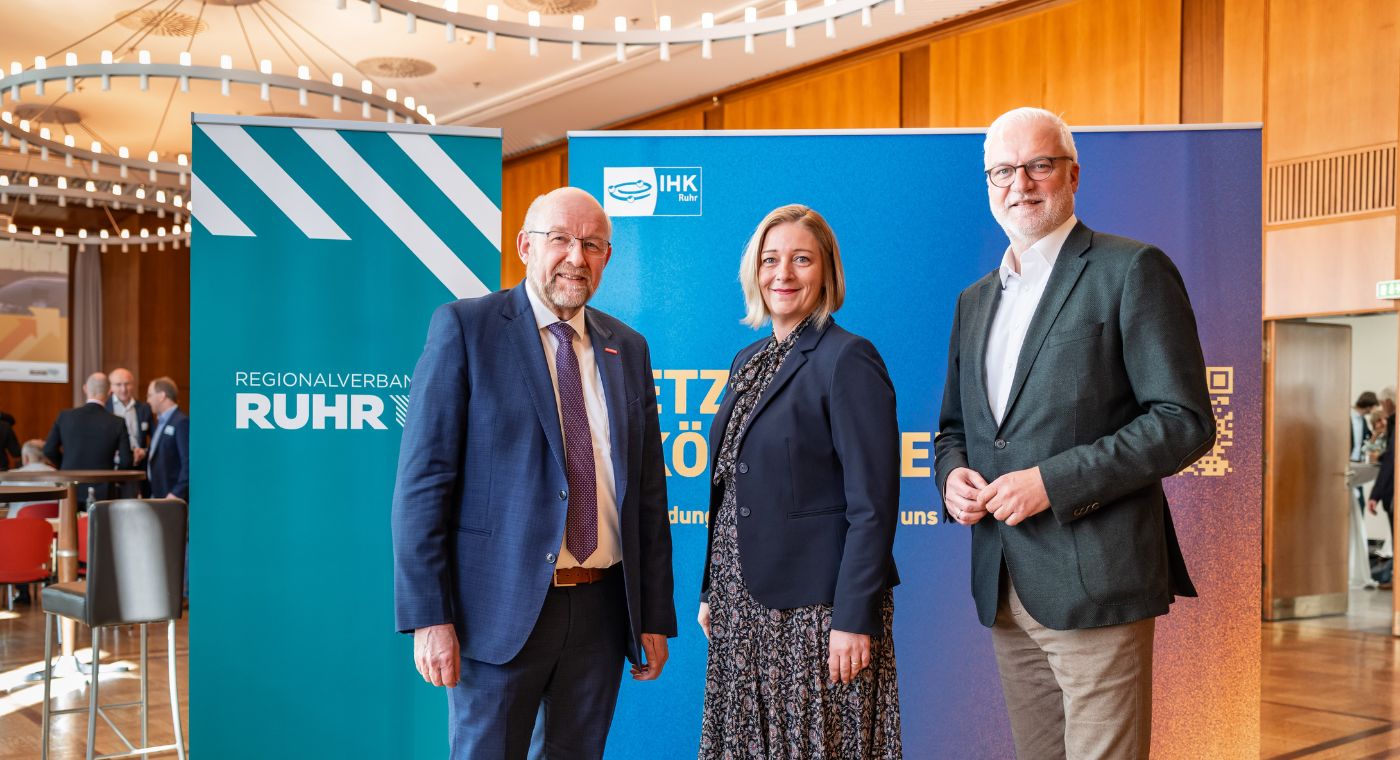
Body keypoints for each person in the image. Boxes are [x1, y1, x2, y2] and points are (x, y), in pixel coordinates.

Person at [935, 107, 1215, 760]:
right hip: (1005, 587)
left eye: (1038, 165)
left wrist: (1051, 483)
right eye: (1003, 171)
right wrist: (951, 477)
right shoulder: (974, 301)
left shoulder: (1131, 270)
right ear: (988, 184)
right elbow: (954, 430)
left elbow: (1184, 422)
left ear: (1072, 175)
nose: (1020, 184)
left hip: (1097, 585)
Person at [392, 187, 676, 760]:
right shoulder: (466, 329)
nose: (576, 256)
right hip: (495, 613)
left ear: (606, 258)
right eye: (561, 240)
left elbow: (647, 493)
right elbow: (423, 486)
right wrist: (429, 617)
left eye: (592, 244)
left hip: (600, 612)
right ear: (525, 246)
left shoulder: (630, 348)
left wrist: (651, 615)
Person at [697, 204, 902, 759]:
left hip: (816, 615)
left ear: (827, 272)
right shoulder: (750, 359)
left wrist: (853, 617)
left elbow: (873, 506)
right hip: (742, 608)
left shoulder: (848, 358)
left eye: (801, 259)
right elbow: (733, 486)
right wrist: (715, 587)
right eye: (770, 260)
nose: (782, 274)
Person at [44, 372, 132, 501]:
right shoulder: (117, 422)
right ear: (109, 392)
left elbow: (48, 450)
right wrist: (116, 479)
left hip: (69, 487)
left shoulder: (65, 417)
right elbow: (126, 461)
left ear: (85, 388)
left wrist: (64, 466)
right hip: (104, 490)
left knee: (70, 521)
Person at [145, 377, 188, 501]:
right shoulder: (160, 422)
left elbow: (188, 462)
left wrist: (177, 493)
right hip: (159, 495)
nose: (148, 400)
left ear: (161, 396)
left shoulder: (181, 422)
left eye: (150, 395)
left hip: (172, 498)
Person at [2, 440, 59, 518]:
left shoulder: (11, 476)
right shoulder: (59, 475)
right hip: (53, 526)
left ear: (25, 457)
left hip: (18, 525)